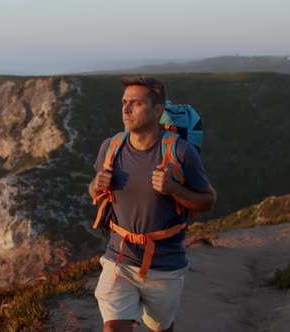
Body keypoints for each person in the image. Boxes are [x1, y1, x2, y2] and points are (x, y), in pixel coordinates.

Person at [89, 76, 216, 332]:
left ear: (157, 110)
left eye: (135, 103)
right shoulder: (110, 148)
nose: (125, 109)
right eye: (124, 102)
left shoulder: (180, 153)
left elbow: (207, 201)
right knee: (113, 327)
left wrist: (174, 189)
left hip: (165, 265)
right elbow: (93, 191)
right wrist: (96, 185)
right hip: (119, 258)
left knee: (161, 328)